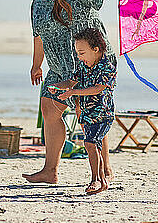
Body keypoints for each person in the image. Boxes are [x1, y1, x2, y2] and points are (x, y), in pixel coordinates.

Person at [23, 0, 158, 184]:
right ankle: (50, 170)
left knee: (90, 115)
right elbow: (38, 37)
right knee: (49, 109)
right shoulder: (37, 5)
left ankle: (104, 170)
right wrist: (36, 65)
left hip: (90, 63)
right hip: (58, 68)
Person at [48, 28, 116, 194]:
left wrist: (73, 92)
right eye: (78, 53)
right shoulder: (84, 66)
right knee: (93, 145)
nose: (79, 57)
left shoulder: (107, 67)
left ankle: (96, 180)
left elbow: (97, 89)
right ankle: (102, 180)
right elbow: (72, 81)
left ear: (96, 49)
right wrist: (58, 86)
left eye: (82, 53)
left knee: (90, 143)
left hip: (102, 115)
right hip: (87, 113)